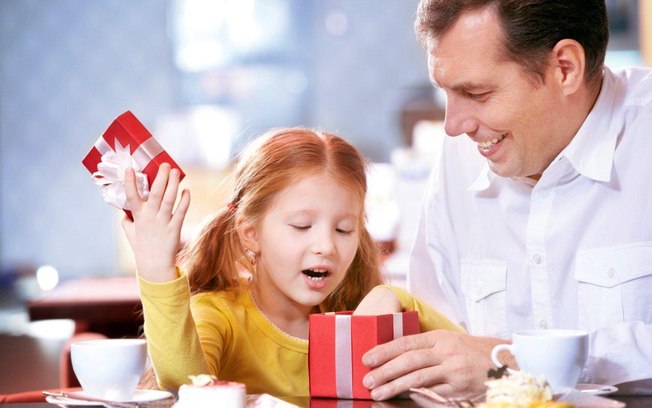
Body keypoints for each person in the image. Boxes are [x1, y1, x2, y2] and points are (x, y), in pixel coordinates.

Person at [357, 0, 652, 401]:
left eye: (476, 93)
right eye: (446, 93)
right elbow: (437, 337)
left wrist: (514, 364)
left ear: (565, 68)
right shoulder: (461, 156)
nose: (453, 125)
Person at [121, 127, 462, 397]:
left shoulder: (364, 315)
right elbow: (186, 388)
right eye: (301, 226)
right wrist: (157, 273)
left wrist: (398, 300)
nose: (326, 245)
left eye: (344, 229)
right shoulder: (218, 314)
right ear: (250, 234)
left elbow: (484, 376)